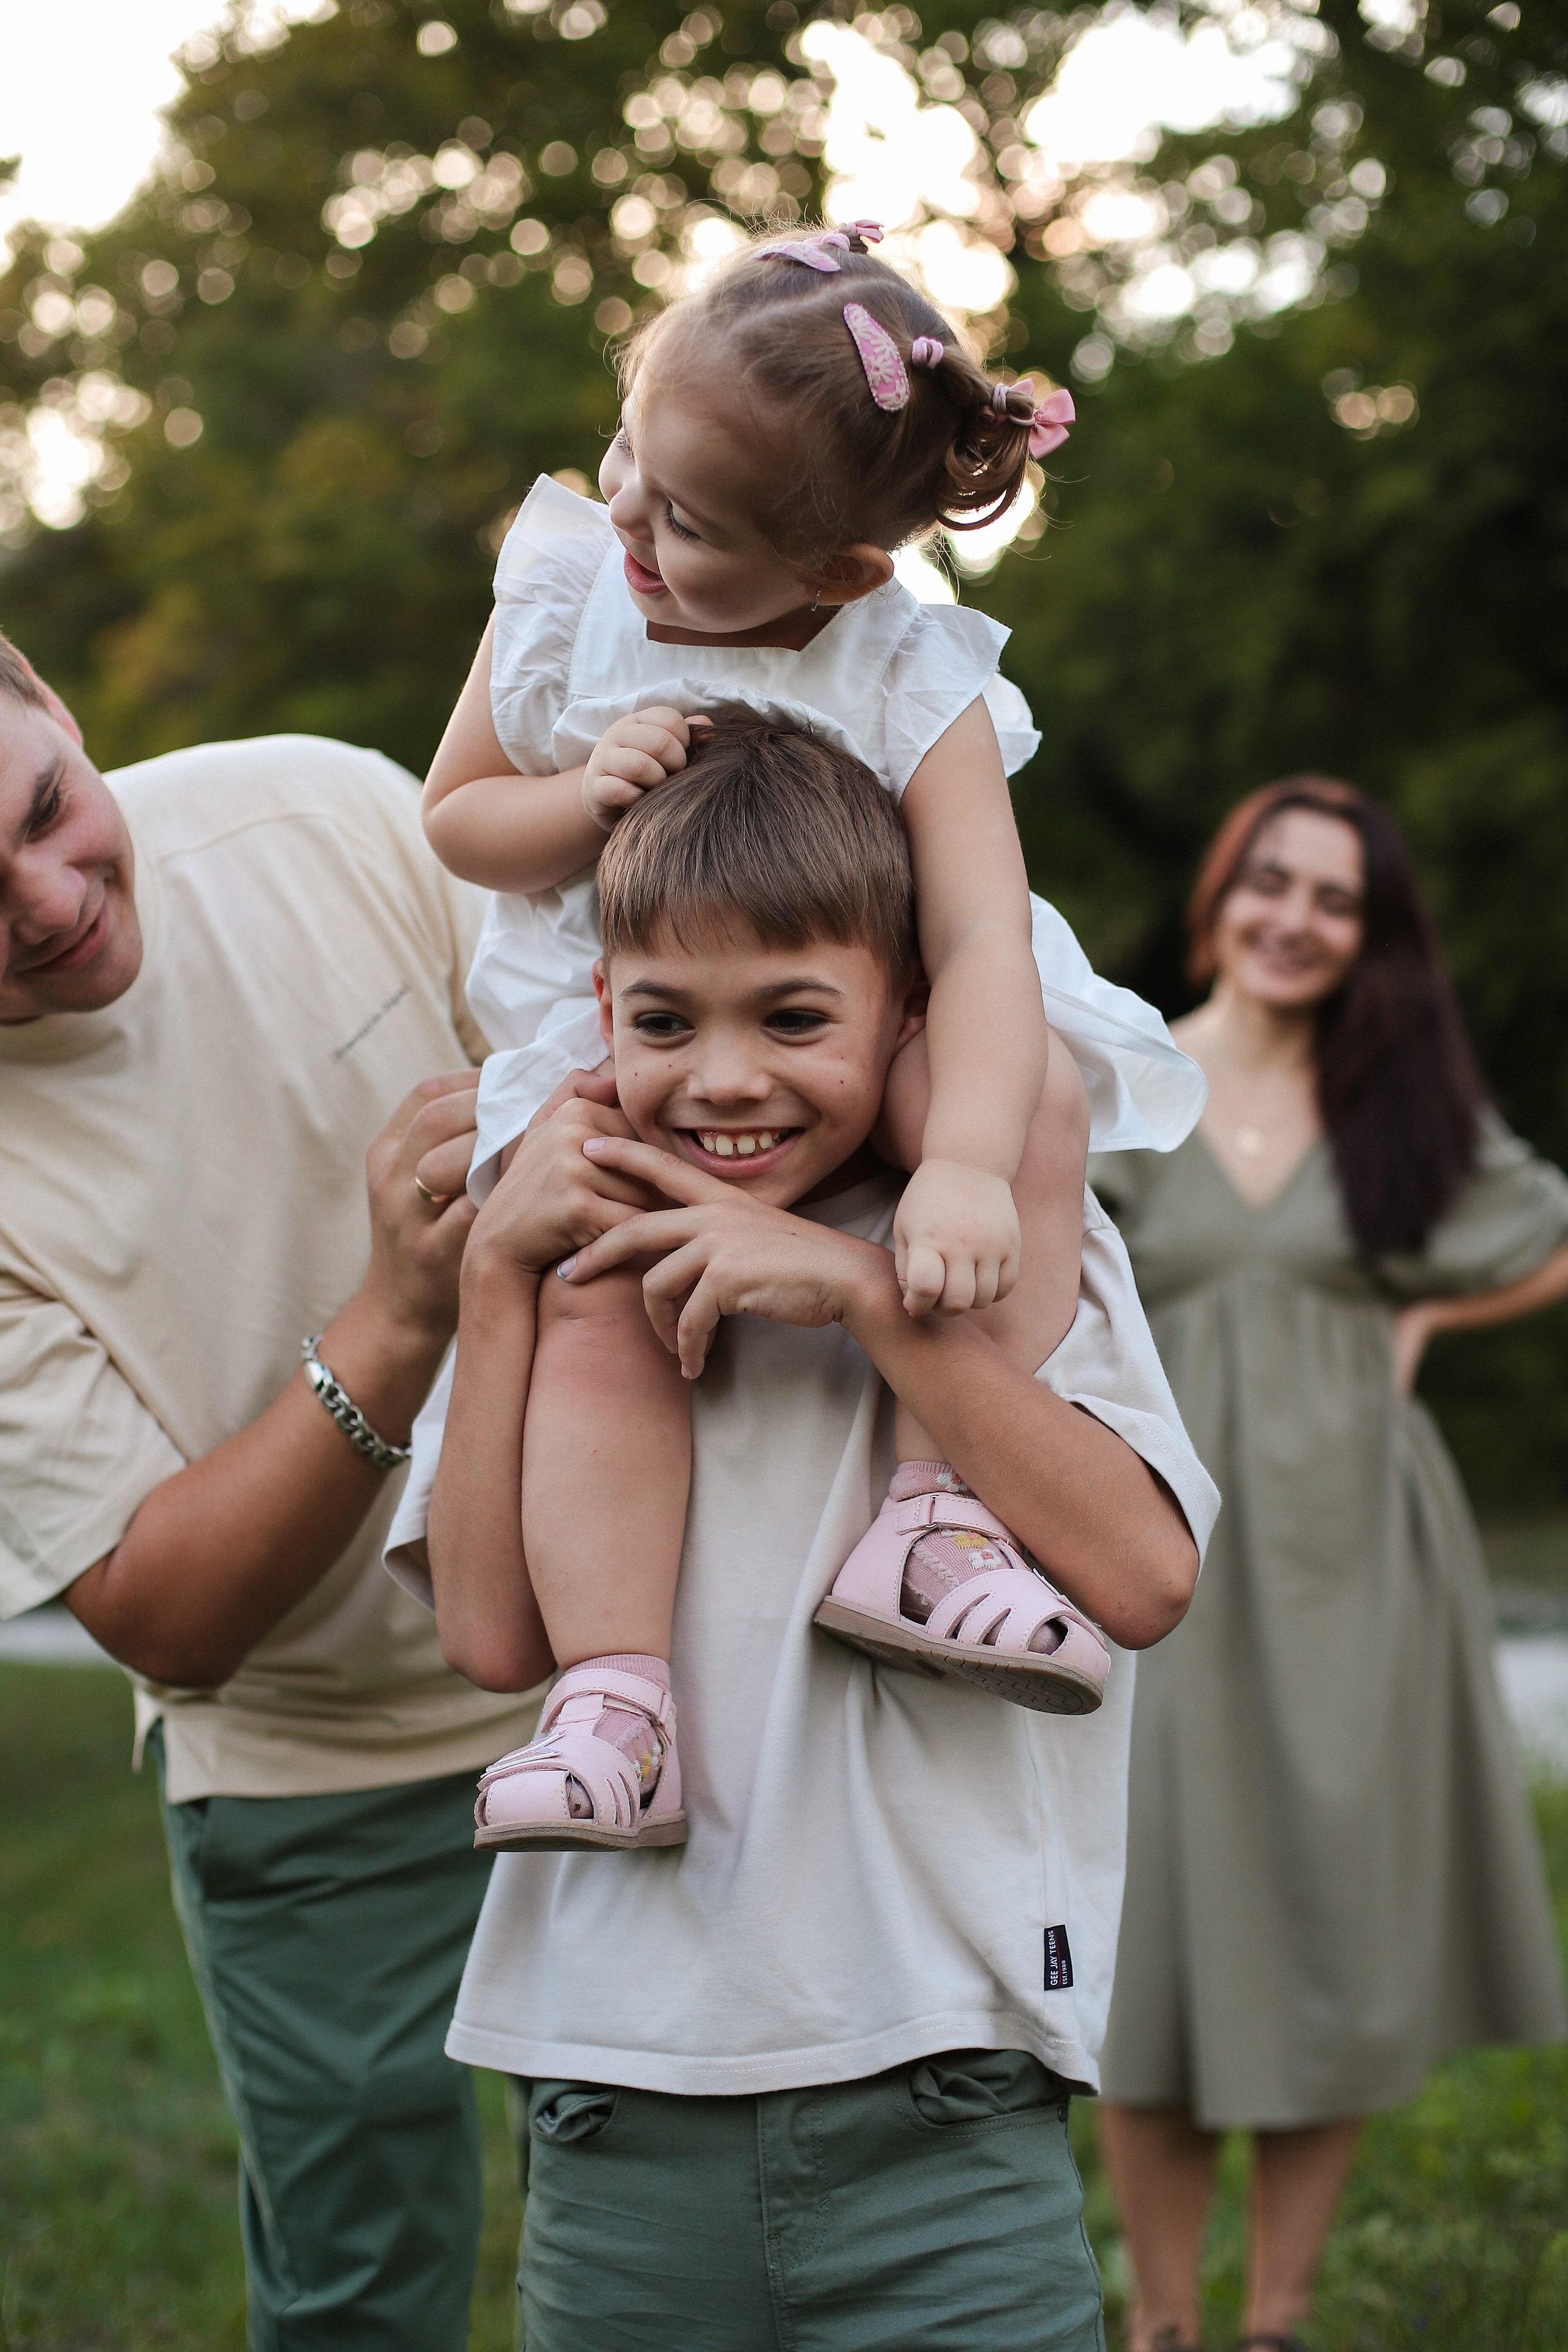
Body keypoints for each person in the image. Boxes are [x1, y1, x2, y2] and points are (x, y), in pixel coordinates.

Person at [386, 723, 1220, 2347]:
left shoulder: (998, 1247)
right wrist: (491, 1274)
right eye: (664, 1021)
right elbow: (490, 1637)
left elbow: (1142, 1577)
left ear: (907, 1012)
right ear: (600, 1015)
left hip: (944, 2087)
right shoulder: (571, 1281)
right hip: (614, 2086)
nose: (724, 1080)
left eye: (792, 1016)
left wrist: (871, 1303)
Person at [415, 217, 1204, 1845]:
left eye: (686, 518)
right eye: (626, 453)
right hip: (612, 1035)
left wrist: (961, 1168)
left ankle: (935, 1519)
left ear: (840, 568)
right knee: (600, 1273)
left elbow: (976, 935)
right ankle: (615, 1701)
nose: (627, 516)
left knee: (1031, 1104)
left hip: (874, 1021)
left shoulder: (908, 666)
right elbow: (458, 818)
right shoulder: (566, 592)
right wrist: (582, 795)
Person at [0, 628, 545, 2350]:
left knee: (673, 2250)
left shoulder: (318, 811)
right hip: (313, 1781)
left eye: (43, 809)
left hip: (617, 1681)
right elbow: (164, 1613)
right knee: (359, 2298)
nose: (45, 903)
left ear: (57, 710)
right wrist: (395, 1318)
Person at [1088, 777, 1568, 2352]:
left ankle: (1276, 2323)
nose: (1293, 919)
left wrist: (1423, 1309)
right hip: (1154, 1549)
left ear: (1372, 935)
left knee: (1328, 1913)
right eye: (1269, 882)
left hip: (1356, 1550)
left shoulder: (1395, 1103)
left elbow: (1543, 1231)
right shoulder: (1118, 1071)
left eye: (1335, 899)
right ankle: (1163, 2324)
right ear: (1217, 895)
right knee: (1157, 1936)